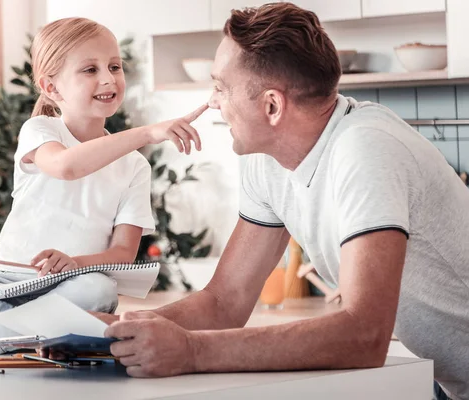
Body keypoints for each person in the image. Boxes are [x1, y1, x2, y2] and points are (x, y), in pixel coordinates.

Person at [97, 4, 468, 399]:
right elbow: (225, 302)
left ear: (272, 106)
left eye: (221, 87)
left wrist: (191, 350)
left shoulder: (365, 149)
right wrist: (109, 330)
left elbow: (364, 334)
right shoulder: (267, 162)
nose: (212, 102)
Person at [0, 17, 207, 355]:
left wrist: (76, 263)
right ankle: (38, 328)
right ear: (51, 88)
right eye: (90, 70)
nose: (109, 78)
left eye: (114, 66)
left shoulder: (135, 166)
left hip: (69, 285)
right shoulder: (39, 131)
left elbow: (122, 252)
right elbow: (67, 166)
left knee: (98, 291)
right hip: (2, 283)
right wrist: (148, 133)